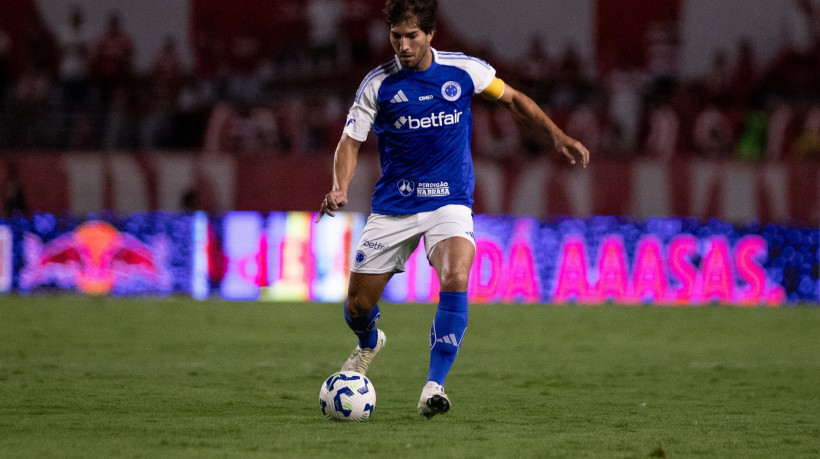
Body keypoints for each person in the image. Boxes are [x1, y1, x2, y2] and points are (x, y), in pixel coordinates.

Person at [315, 0, 589, 419]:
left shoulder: (464, 71)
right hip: (394, 207)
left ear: (430, 35)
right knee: (356, 305)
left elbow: (514, 100)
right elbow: (351, 141)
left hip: (449, 199)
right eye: (396, 37)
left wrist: (556, 135)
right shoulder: (377, 84)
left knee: (457, 274)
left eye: (411, 37)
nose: (403, 46)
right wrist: (339, 187)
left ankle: (433, 386)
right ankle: (369, 343)